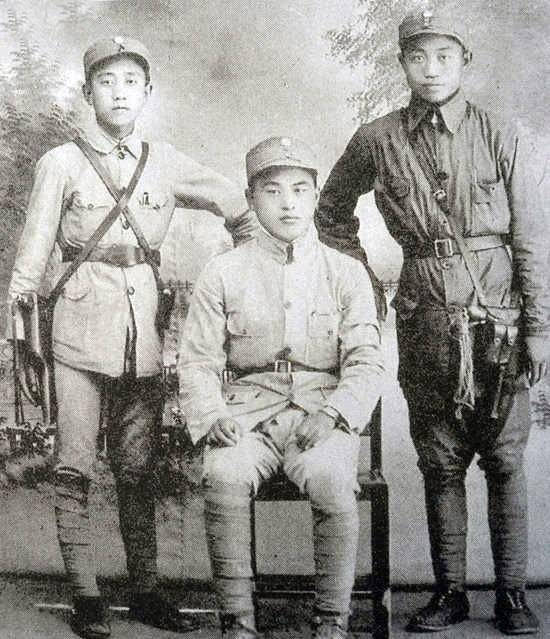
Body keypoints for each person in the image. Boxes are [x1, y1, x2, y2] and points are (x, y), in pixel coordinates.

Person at [7, 36, 257, 639]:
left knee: (137, 468)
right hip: (75, 331)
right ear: (87, 92)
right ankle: (87, 596)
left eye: (129, 82)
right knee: (74, 466)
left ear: (147, 92)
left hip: (144, 333)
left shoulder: (163, 160)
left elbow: (232, 201)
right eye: (105, 81)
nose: (118, 93)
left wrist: (256, 257)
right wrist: (19, 331)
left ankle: (146, 591)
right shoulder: (61, 162)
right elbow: (33, 251)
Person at [315, 8, 550, 636]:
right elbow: (331, 212)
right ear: (402, 64)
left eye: (444, 55)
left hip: (498, 319)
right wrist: (366, 284)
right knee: (440, 461)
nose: (431, 68)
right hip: (424, 321)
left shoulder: (502, 133)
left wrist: (539, 328)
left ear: (464, 61)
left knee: (504, 460)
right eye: (418, 56)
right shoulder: (377, 138)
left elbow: (531, 238)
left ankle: (512, 596)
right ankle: (449, 593)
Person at [178, 136, 384, 639]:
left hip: (320, 414)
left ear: (315, 197)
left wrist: (334, 416)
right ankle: (237, 620)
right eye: (272, 191)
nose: (288, 203)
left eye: (299, 190)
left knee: (332, 479)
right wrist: (212, 417)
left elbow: (366, 361)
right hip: (245, 416)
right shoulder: (223, 272)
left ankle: (331, 621)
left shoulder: (346, 272)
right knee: (223, 476)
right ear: (251, 199)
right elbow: (198, 360)